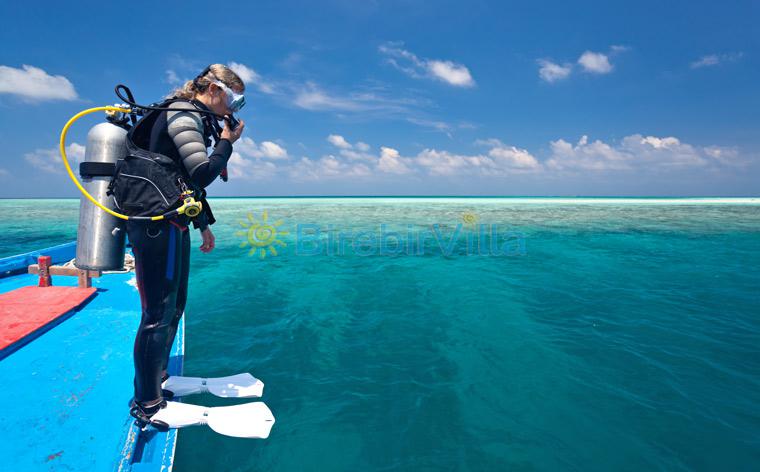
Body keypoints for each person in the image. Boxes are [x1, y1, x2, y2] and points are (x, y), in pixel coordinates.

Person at [128, 64, 246, 424]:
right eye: (235, 101)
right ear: (214, 89)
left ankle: (159, 378)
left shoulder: (193, 117)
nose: (234, 111)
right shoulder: (182, 114)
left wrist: (202, 225)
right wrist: (228, 142)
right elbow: (201, 172)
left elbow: (179, 180)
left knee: (175, 305)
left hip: (172, 221)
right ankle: (147, 403)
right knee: (157, 314)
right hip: (154, 224)